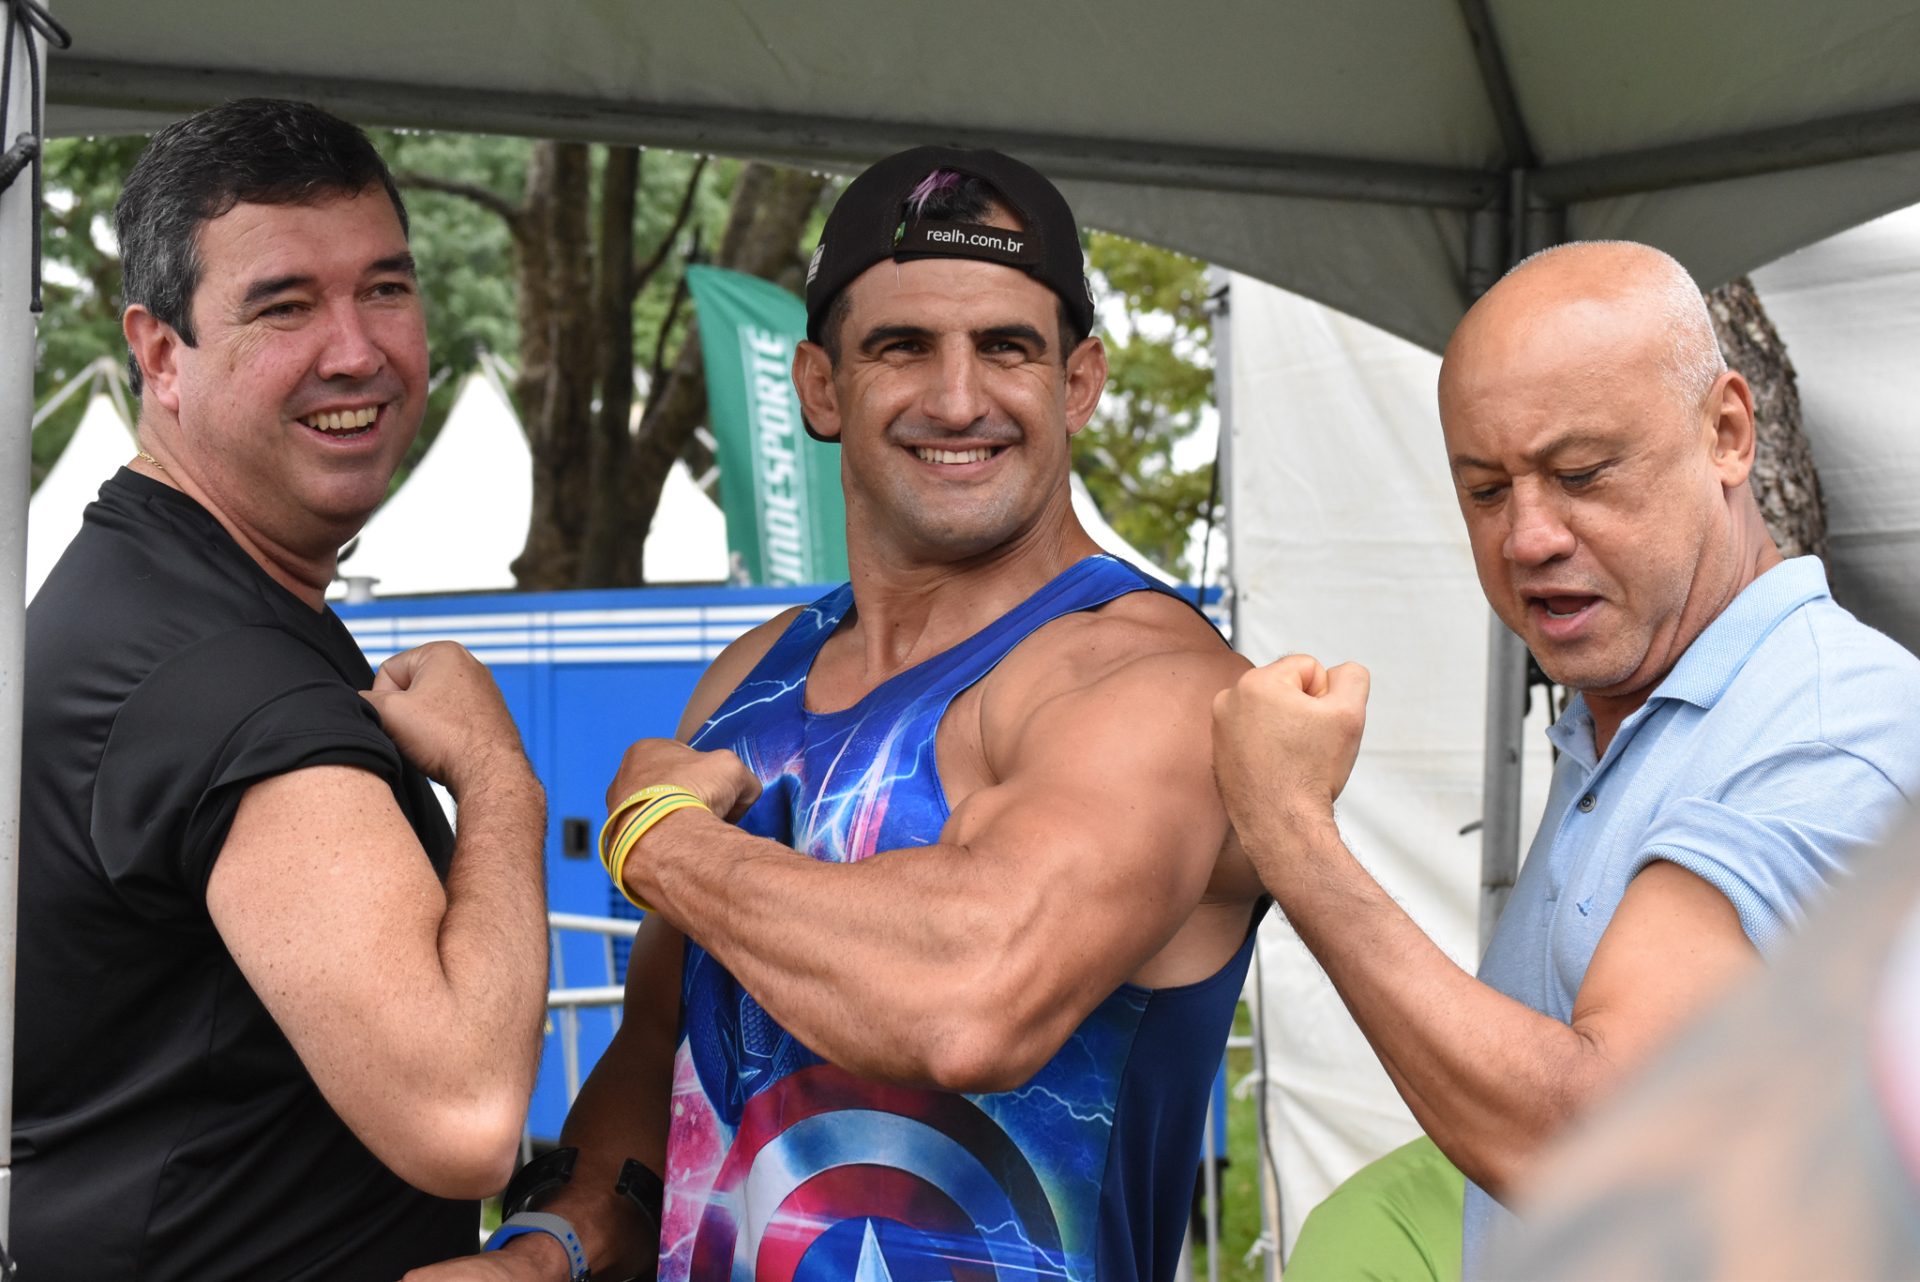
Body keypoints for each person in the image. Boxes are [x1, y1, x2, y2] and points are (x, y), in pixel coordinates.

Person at [426, 146, 1263, 1282]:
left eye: (1006, 347)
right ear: (821, 386)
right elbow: (663, 1052)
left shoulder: (1155, 683)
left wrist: (664, 843)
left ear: (1078, 383)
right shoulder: (753, 678)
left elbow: (972, 1002)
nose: (958, 398)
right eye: (903, 346)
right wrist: (545, 1249)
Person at [1209, 240, 1920, 1274]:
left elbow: (1599, 1147)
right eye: (1485, 491)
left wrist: (1291, 830)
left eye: (1582, 474)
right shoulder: (1631, 716)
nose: (1528, 536)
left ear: (1727, 433)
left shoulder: (1824, 724)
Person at [14, 99, 549, 1281]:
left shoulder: (145, 591)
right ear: (160, 354)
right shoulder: (228, 681)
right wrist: (500, 776)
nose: (355, 350)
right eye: (285, 306)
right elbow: (465, 1116)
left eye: (386, 289)